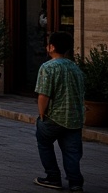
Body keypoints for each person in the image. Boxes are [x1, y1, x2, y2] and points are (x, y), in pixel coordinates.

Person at [34, 30, 85, 191]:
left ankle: (53, 176)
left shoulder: (48, 67)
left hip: (54, 117)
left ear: (52, 47)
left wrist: (42, 114)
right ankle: (75, 182)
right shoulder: (75, 68)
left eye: (48, 44)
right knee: (72, 151)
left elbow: (44, 95)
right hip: (74, 118)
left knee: (44, 142)